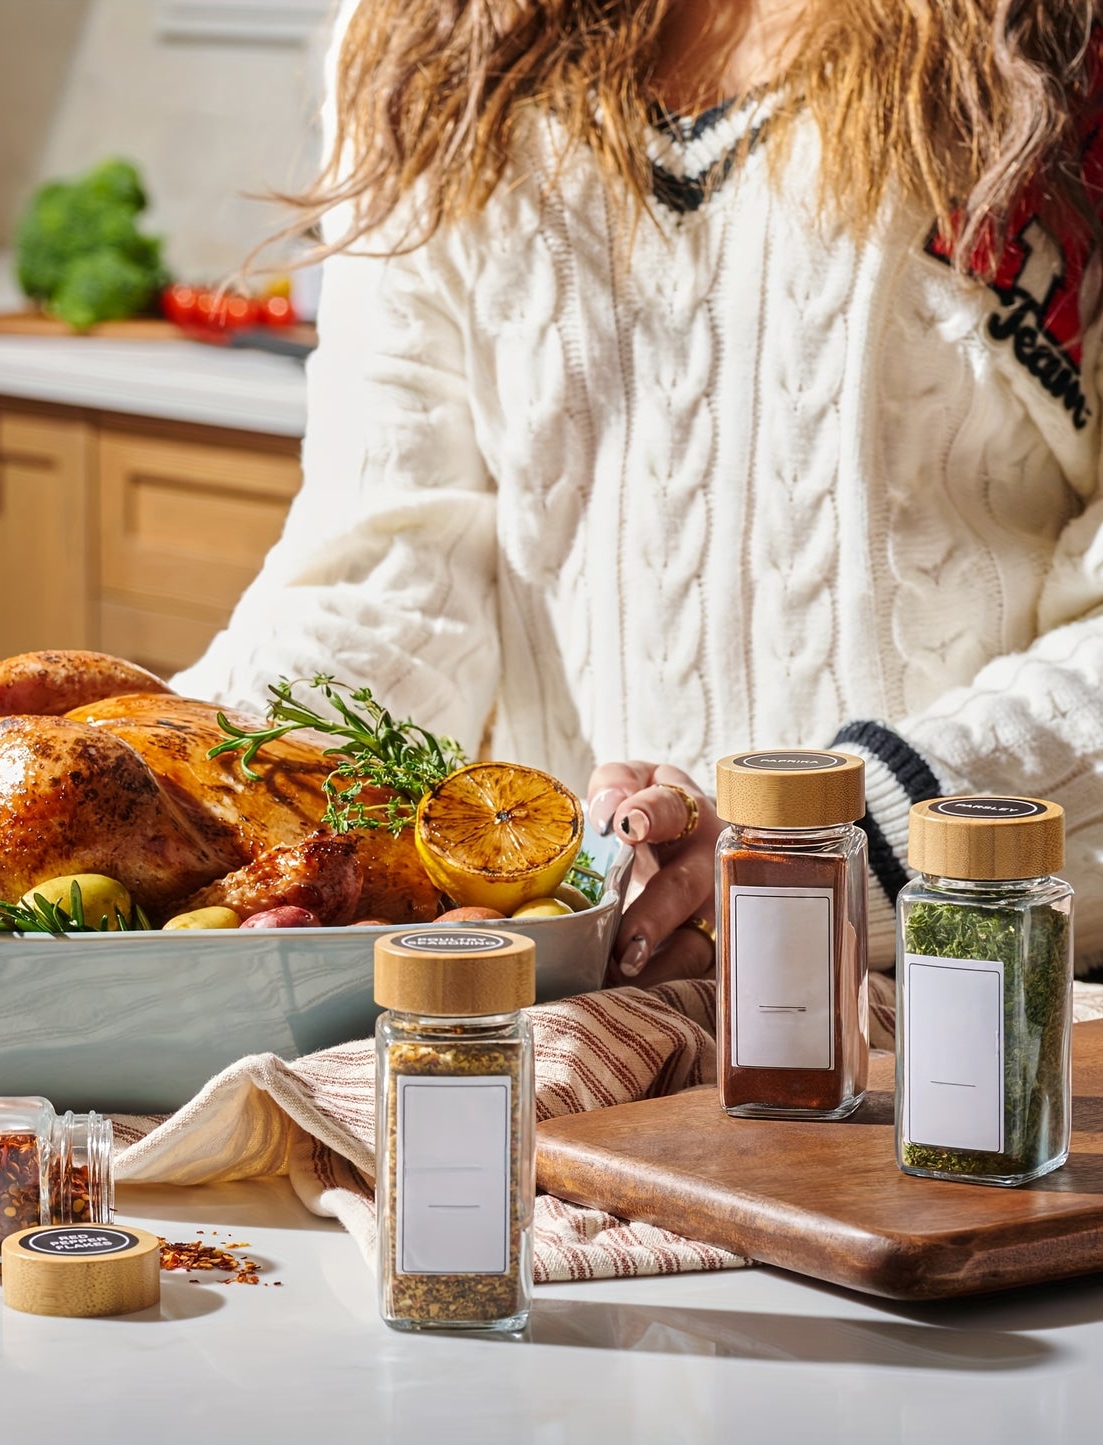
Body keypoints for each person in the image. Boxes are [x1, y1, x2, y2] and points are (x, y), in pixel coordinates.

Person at [174, 0, 1103, 985]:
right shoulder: (426, 30)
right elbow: (384, 575)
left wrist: (816, 844)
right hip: (585, 1010)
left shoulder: (1055, 39)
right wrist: (183, 785)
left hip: (975, 1006)